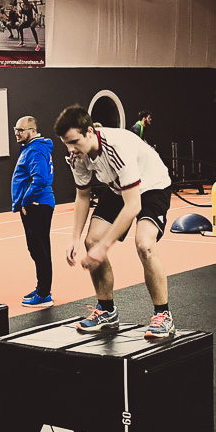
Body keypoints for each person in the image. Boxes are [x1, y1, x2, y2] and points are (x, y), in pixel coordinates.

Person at [55, 103, 176, 339]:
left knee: (144, 245)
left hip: (151, 186)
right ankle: (107, 311)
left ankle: (163, 315)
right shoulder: (76, 156)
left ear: (89, 131)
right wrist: (75, 239)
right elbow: (82, 195)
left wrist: (104, 247)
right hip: (119, 187)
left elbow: (134, 205)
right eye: (66, 144)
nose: (71, 149)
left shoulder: (117, 147)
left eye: (74, 142)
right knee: (92, 241)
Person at [12, 116, 55, 307]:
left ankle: (44, 294)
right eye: (15, 129)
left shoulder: (35, 150)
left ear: (32, 131)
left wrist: (26, 200)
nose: (17, 133)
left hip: (37, 205)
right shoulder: (30, 149)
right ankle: (41, 288)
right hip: (34, 205)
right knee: (37, 249)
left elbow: (40, 179)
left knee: (40, 250)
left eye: (21, 130)